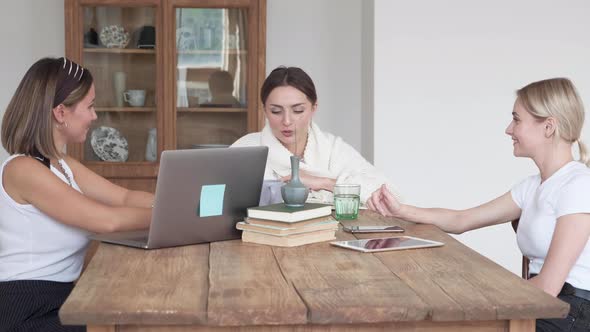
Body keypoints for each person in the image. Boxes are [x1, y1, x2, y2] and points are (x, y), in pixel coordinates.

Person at [367, 78, 590, 332]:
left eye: (517, 119)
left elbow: (550, 285)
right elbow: (462, 220)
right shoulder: (532, 186)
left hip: (570, 312)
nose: (509, 129)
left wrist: (482, 296)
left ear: (548, 127)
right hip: (540, 304)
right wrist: (401, 210)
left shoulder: (578, 185)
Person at [0, 57, 154, 331]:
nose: (95, 116)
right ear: (60, 112)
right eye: (90, 106)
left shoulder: (61, 165)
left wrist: (184, 202)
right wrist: (177, 214)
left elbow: (124, 198)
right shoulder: (22, 169)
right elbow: (106, 221)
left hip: (61, 299)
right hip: (24, 306)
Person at [231, 66, 398, 204]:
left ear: (314, 108)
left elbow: (386, 196)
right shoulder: (244, 149)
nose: (287, 121)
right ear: (265, 110)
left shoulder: (332, 148)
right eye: (276, 111)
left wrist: (323, 183)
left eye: (298, 110)